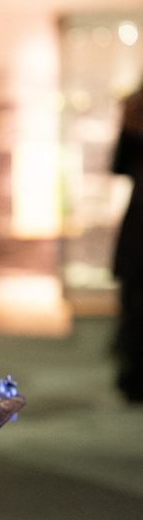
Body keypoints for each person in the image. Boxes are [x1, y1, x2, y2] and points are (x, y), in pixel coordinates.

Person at [110, 80, 143, 403]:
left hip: (138, 222)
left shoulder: (134, 113)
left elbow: (117, 165)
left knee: (134, 306)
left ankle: (133, 377)